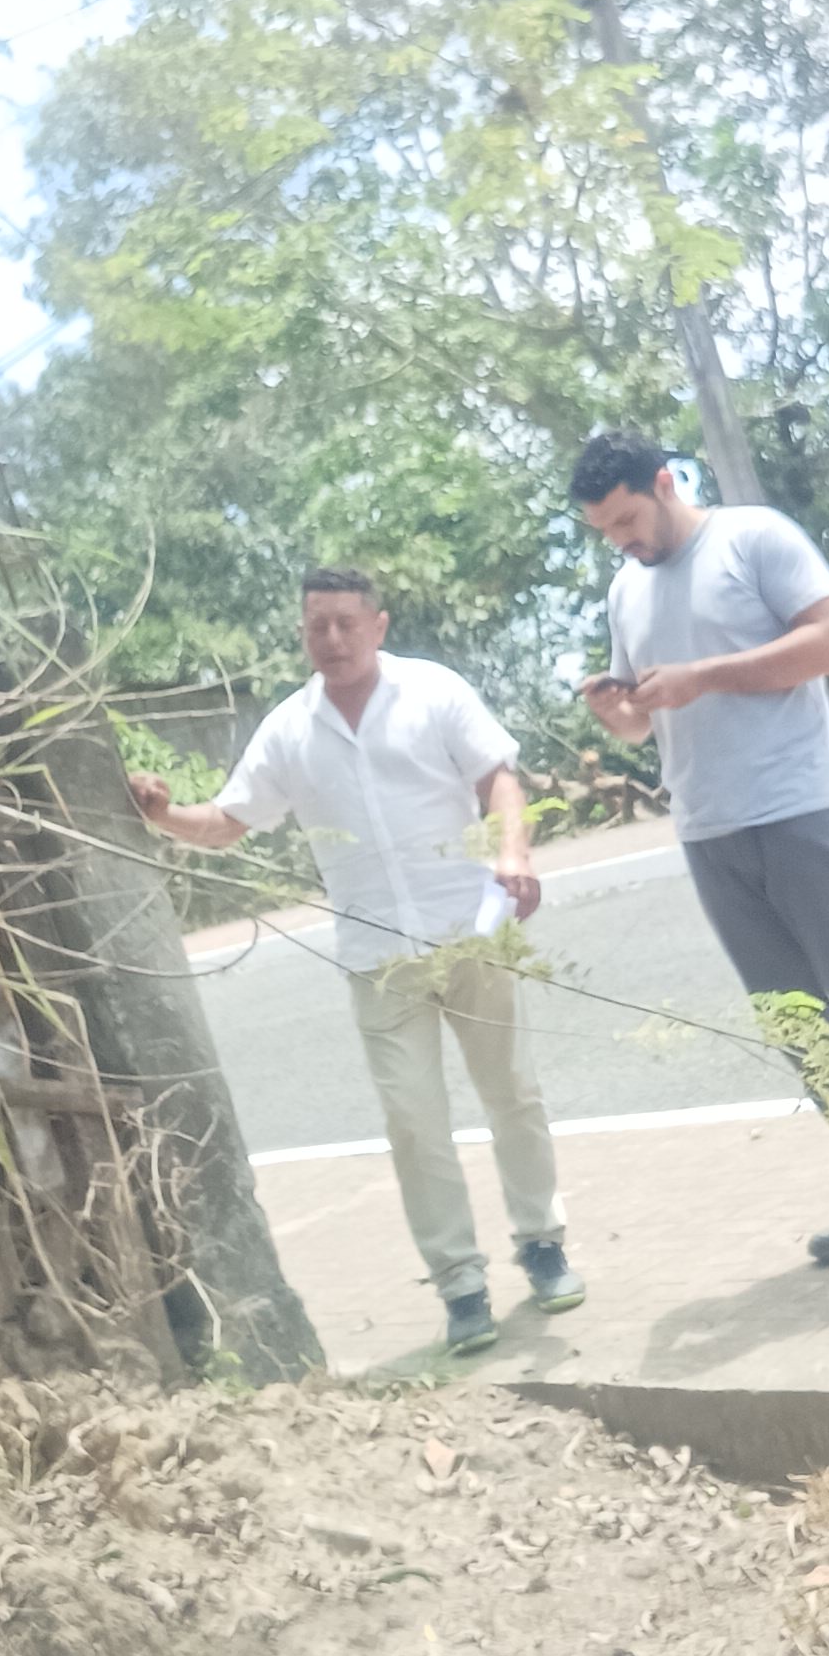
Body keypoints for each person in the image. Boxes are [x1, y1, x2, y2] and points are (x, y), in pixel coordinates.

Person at [568, 431, 829, 1274]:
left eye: (625, 519)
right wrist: (617, 712)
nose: (620, 540)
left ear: (663, 484)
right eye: (604, 530)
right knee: (799, 1025)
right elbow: (642, 722)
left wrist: (703, 675)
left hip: (798, 810)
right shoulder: (626, 588)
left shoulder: (755, 538)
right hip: (707, 828)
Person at [129, 567, 581, 1357]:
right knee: (413, 1121)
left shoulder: (434, 692)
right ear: (303, 633)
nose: (331, 639)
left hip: (470, 927)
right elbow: (230, 822)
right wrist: (163, 814)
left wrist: (514, 853)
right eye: (317, 626)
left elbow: (498, 781)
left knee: (513, 1093)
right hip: (378, 957)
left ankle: (543, 1243)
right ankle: (460, 1284)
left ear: (378, 625)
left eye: (345, 622)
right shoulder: (288, 731)